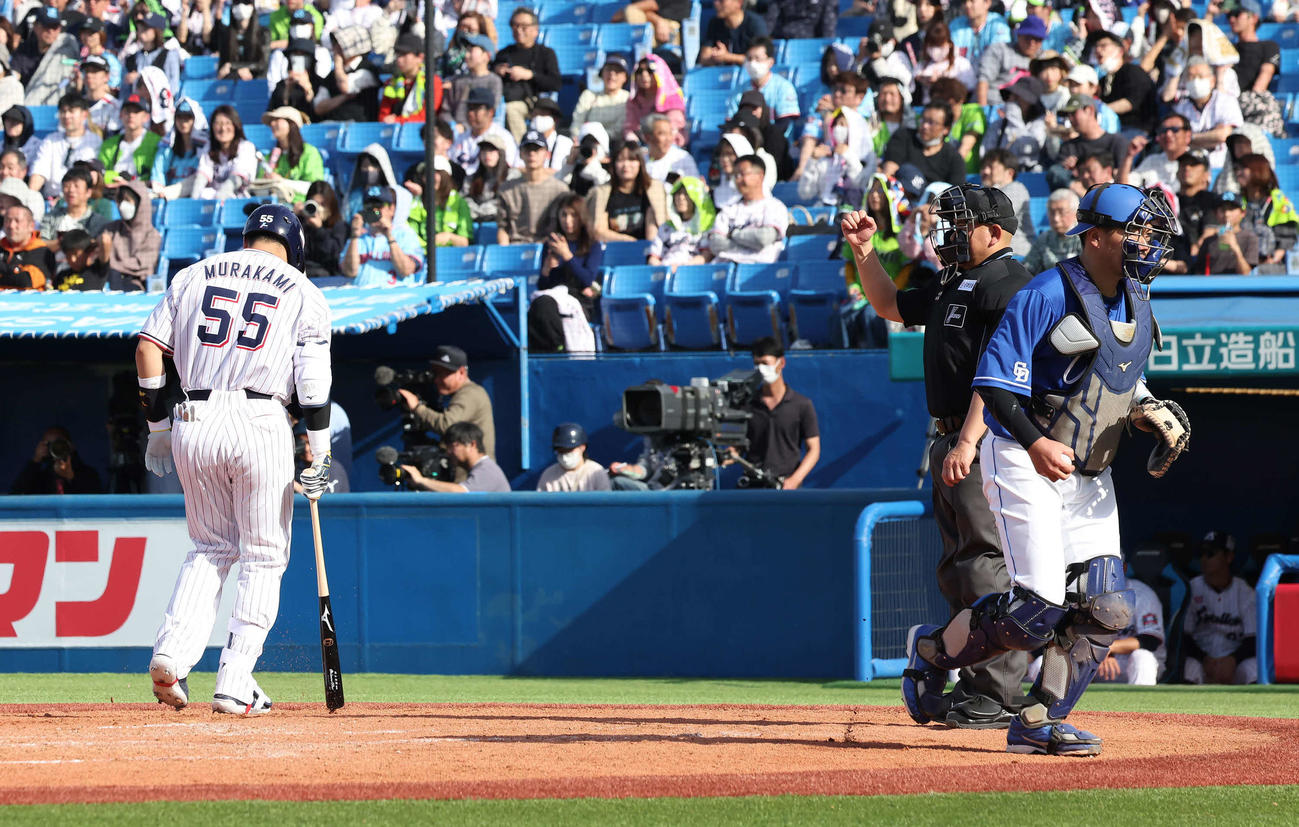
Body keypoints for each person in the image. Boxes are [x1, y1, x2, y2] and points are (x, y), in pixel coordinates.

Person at [898, 182, 1185, 756]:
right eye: (1138, 230)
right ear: (1097, 235)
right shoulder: (1045, 292)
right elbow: (995, 385)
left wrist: (1149, 409)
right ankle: (933, 653)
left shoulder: (1136, 296)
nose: (1148, 243)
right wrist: (1033, 445)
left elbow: (1116, 377)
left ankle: (1038, 719)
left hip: (1089, 471)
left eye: (1152, 233)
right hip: (1023, 458)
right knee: (1036, 608)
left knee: (1109, 607)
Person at [844, 183, 1033, 729]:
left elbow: (1000, 376)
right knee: (957, 569)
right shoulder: (954, 280)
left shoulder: (1010, 283)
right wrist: (864, 251)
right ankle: (976, 683)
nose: (944, 231)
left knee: (985, 564)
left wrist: (970, 440)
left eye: (958, 222)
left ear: (994, 231)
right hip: (950, 438)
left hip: (989, 439)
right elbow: (887, 304)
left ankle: (997, 693)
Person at [138, 204, 331, 716]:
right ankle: (236, 678)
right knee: (264, 554)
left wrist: (158, 428)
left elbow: (147, 349)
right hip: (261, 417)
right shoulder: (302, 289)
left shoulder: (193, 273)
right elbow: (312, 382)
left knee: (209, 548)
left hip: (193, 417)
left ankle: (171, 654)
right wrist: (322, 450)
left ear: (245, 237)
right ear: (296, 247)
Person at [740, 337, 819, 489]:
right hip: (752, 487)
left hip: (786, 486)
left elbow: (814, 449)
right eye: (757, 364)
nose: (761, 369)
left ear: (781, 363)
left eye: (765, 363)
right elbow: (738, 446)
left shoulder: (802, 405)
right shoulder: (747, 404)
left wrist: (795, 479)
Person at [397, 345, 498, 462]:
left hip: (474, 476)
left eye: (443, 374)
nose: (436, 379)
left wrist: (417, 407)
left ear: (461, 372)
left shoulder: (470, 393)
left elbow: (447, 425)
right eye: (435, 374)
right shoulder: (462, 393)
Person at [530, 192, 603, 352]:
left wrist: (567, 255)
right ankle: (550, 349)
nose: (568, 221)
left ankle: (559, 348)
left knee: (544, 306)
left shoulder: (592, 245)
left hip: (579, 299)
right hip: (552, 297)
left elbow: (587, 279)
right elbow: (543, 286)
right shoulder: (551, 245)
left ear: (581, 217)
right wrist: (546, 269)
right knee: (539, 304)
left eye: (573, 215)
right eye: (564, 215)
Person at [1184, 531, 1258, 685]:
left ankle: (1256, 709)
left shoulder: (1245, 592)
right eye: (1202, 554)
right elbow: (1184, 637)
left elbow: (1253, 638)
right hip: (1202, 658)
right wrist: (1203, 658)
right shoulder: (1191, 588)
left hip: (1235, 660)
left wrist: (1233, 659)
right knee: (1189, 667)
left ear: (1229, 557)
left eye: (1211, 554)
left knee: (1253, 669)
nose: (1204, 559)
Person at [492, 7, 561, 142]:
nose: (519, 30)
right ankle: (522, 147)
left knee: (517, 110)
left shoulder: (546, 53)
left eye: (524, 26)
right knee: (508, 108)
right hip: (508, 99)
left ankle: (528, 147)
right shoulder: (504, 54)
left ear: (536, 30)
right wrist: (497, 71)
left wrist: (530, 75)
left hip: (537, 101)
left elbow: (555, 83)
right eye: (515, 25)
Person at [703, 154, 787, 265]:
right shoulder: (729, 210)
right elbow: (715, 244)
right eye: (736, 175)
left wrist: (732, 234)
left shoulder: (774, 206)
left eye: (742, 174)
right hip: (724, 267)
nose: (738, 180)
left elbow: (763, 239)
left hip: (757, 268)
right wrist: (748, 242)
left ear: (760, 176)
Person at [341, 184, 426, 286]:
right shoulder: (358, 238)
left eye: (378, 205)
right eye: (369, 206)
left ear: (392, 209)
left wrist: (389, 236)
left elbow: (406, 270)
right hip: (363, 298)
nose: (374, 210)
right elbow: (349, 272)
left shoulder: (405, 235)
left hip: (396, 298)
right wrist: (354, 236)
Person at [496, 131, 570, 246]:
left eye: (537, 149)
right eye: (527, 149)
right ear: (520, 154)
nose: (532, 154)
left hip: (549, 248)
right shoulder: (507, 189)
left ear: (547, 154)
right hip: (516, 247)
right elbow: (503, 228)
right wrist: (505, 252)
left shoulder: (560, 190)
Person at [1173, 57, 1244, 170]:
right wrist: (1211, 137)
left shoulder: (1226, 100)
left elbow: (1223, 135)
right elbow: (1177, 140)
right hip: (1189, 165)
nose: (1196, 81)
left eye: (1200, 76)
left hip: (1221, 164)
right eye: (1191, 77)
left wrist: (1190, 138)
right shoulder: (1180, 107)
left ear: (1212, 81)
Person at [588, 139, 663, 244]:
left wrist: (650, 251)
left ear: (640, 163)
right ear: (613, 164)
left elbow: (655, 224)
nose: (626, 165)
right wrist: (628, 241)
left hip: (647, 250)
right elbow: (600, 231)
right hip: (614, 250)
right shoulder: (603, 193)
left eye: (631, 160)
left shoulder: (652, 189)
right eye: (620, 160)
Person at [400, 421, 510, 493]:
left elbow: (461, 492)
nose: (448, 452)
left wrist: (421, 480)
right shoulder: (481, 468)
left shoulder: (486, 470)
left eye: (453, 446)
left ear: (472, 444)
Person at [1048, 94, 1128, 192]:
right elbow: (1054, 172)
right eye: (1068, 116)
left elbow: (1123, 176)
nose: (1070, 119)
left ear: (1089, 110)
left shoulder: (1117, 142)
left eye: (1073, 113)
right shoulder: (1069, 146)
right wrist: (1069, 172)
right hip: (1077, 201)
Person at [30, 93, 101, 200]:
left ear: (84, 114)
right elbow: (39, 170)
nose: (66, 116)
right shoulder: (51, 140)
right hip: (51, 198)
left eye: (71, 111)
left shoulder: (95, 140)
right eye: (63, 111)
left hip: (80, 200)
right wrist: (30, 196)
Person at [880, 103, 967, 189]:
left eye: (931, 123)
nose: (925, 126)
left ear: (946, 129)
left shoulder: (954, 159)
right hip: (899, 195)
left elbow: (955, 196)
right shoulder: (903, 136)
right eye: (923, 120)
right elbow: (889, 173)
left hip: (933, 202)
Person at [1236, 153, 1298, 272]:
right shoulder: (1236, 201)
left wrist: (1270, 260)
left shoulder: (1278, 202)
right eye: (1236, 169)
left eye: (1242, 169)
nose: (1237, 173)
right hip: (1240, 262)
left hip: (1271, 265)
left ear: (1257, 171)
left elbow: (1286, 242)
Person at [1093, 30, 1157, 137]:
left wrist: (1100, 110)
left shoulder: (1132, 71)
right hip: (1112, 129)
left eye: (1103, 45)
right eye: (1096, 47)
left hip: (1136, 129)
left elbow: (1131, 102)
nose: (1098, 50)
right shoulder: (1103, 80)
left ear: (1120, 51)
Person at [100, 180, 160, 291]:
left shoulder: (152, 235)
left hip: (134, 283)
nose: (122, 205)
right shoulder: (112, 228)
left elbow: (141, 265)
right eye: (121, 200)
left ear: (140, 204)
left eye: (128, 200)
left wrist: (112, 263)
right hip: (108, 280)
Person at [14, 8, 80, 107]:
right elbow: (14, 76)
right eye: (46, 26)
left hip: (60, 106)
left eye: (55, 27)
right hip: (29, 104)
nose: (50, 31)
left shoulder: (67, 50)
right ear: (36, 26)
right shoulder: (25, 49)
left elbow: (75, 67)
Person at [314, 25, 381, 123]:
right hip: (332, 126)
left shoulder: (368, 69)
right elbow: (319, 108)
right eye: (335, 44)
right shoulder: (331, 76)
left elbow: (345, 86)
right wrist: (343, 98)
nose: (335, 48)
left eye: (339, 45)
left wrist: (337, 62)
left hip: (359, 128)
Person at [10, 426, 103, 494]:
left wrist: (70, 477)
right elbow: (16, 495)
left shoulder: (88, 473)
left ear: (71, 446)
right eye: (49, 445)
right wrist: (35, 460)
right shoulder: (40, 477)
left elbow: (93, 499)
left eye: (59, 444)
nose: (55, 448)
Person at [448, 86, 519, 175]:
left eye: (476, 108)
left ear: (491, 112)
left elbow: (510, 169)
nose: (470, 113)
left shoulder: (503, 137)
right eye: (469, 108)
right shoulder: (461, 138)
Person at [976, 15, 1045, 106]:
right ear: (1019, 35)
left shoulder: (1044, 58)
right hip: (995, 105)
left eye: (1037, 39)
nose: (1031, 43)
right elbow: (983, 81)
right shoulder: (1000, 50)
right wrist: (982, 111)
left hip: (1028, 111)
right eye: (1027, 37)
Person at [648, 175, 714, 267]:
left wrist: (681, 268)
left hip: (690, 272)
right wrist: (662, 269)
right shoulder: (665, 227)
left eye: (686, 194)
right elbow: (653, 258)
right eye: (678, 194)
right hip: (665, 270)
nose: (681, 198)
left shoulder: (705, 226)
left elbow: (705, 256)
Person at [731, 37, 799, 125]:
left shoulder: (784, 87)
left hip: (775, 137)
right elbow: (731, 121)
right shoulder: (739, 90)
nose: (752, 63)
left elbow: (785, 123)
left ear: (770, 62)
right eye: (749, 59)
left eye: (758, 59)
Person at [979, 149, 1034, 257]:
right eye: (984, 167)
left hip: (1016, 253)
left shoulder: (1017, 188)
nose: (985, 171)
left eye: (991, 167)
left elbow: (997, 213)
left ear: (1010, 172)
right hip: (993, 252)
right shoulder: (984, 191)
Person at [194, 105, 257, 200]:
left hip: (238, 202)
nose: (223, 128)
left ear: (235, 125)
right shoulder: (209, 148)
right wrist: (193, 202)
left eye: (228, 123)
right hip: (214, 200)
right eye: (218, 123)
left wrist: (218, 200)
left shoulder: (246, 147)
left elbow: (236, 180)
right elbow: (201, 177)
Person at [261, 106, 325, 199]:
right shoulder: (270, 156)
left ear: (291, 124)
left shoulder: (309, 153)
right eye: (272, 120)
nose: (272, 123)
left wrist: (282, 182)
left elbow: (315, 188)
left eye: (277, 119)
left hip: (298, 207)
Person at [1188, 191, 1258, 275]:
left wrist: (1235, 248)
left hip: (1239, 287)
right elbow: (1199, 273)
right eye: (1222, 209)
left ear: (1243, 213)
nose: (1227, 214)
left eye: (1231, 209)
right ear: (1215, 214)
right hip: (1213, 287)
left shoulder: (1250, 238)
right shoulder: (1208, 241)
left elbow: (1246, 273)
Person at [39, 166, 110, 248]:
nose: (71, 190)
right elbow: (41, 244)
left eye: (76, 186)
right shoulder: (51, 217)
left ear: (88, 192)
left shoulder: (98, 222)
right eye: (67, 186)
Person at [625, 54, 687, 148]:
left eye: (650, 71)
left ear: (660, 73)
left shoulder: (672, 98)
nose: (644, 75)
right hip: (641, 147)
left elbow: (673, 132)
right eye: (639, 71)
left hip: (670, 147)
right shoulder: (634, 101)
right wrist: (632, 141)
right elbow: (629, 128)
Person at [150, 98, 208, 197]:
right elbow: (158, 171)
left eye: (188, 117)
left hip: (193, 195)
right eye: (179, 117)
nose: (183, 122)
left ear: (196, 119)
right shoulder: (167, 146)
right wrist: (159, 189)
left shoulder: (205, 147)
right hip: (167, 198)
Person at [97, 94, 159, 186]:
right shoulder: (109, 144)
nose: (131, 115)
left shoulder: (157, 142)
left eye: (136, 111)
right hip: (112, 192)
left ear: (146, 117)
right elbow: (100, 174)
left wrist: (129, 184)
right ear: (120, 115)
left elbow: (157, 179)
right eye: (127, 111)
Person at [1121, 113, 1193, 191]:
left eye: (1174, 129)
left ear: (1188, 136)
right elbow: (1124, 189)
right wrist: (1129, 156)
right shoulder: (1152, 160)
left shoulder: (1196, 160)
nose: (1168, 134)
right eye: (1164, 130)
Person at [912, 20, 976, 106]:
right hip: (926, 108)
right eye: (932, 46)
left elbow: (970, 90)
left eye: (940, 46)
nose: (935, 50)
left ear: (949, 44)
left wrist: (942, 83)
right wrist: (921, 81)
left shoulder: (961, 64)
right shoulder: (921, 66)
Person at [443, 32, 502, 126]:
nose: (466, 55)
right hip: (456, 132)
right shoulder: (457, 81)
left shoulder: (494, 81)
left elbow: (492, 109)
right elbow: (445, 110)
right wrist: (452, 126)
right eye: (466, 51)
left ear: (486, 56)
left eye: (471, 51)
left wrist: (467, 127)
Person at [536, 423, 611, 492]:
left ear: (582, 447)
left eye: (569, 450)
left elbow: (606, 502)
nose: (565, 455)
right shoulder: (549, 474)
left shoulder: (596, 472)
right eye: (561, 451)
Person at [571, 55, 629, 143]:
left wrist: (597, 139)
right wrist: (579, 137)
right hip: (586, 143)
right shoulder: (588, 95)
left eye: (617, 71)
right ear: (602, 73)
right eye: (609, 69)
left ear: (625, 77)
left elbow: (619, 130)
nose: (612, 74)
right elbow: (577, 123)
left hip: (615, 144)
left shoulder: (628, 99)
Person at [1023, 188, 1082, 273]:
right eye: (1052, 212)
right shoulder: (1044, 238)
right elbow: (1028, 267)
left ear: (1075, 213)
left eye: (1062, 212)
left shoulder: (1083, 238)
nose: (1056, 218)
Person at [297, 180, 347, 279]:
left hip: (329, 277)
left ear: (331, 205)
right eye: (314, 204)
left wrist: (319, 230)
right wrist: (294, 217)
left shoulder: (340, 226)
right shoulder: (300, 223)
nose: (318, 209)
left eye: (323, 204)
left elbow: (334, 256)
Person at [379, 33, 434, 124]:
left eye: (404, 54)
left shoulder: (432, 81)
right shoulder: (392, 83)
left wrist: (397, 120)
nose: (399, 59)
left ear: (420, 57)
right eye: (398, 55)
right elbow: (383, 116)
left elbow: (426, 117)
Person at [697, 0, 767, 68]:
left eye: (722, 1)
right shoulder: (714, 23)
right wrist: (715, 56)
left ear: (739, 2)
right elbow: (704, 56)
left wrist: (728, 57)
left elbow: (761, 60)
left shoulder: (755, 24)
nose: (716, 3)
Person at [0, 203, 55, 289]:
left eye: (17, 221)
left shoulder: (41, 251)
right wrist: (13, 270)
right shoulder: (1, 246)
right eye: (7, 220)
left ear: (31, 226)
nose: (11, 226)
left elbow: (25, 281)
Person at [462, 133, 513, 223]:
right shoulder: (471, 178)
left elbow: (508, 202)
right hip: (474, 222)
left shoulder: (511, 176)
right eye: (484, 150)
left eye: (491, 151)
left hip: (501, 223)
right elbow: (464, 198)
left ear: (501, 154)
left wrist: (483, 210)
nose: (487, 155)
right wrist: (476, 209)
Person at [126, 12, 183, 91]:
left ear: (157, 31)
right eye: (140, 27)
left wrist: (140, 78)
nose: (142, 30)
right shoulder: (132, 58)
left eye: (146, 27)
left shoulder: (169, 55)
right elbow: (124, 92)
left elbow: (173, 87)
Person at [949, 0, 1012, 70]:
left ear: (987, 3)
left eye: (972, 1)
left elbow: (999, 57)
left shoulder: (998, 24)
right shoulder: (956, 25)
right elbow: (951, 56)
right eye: (964, 2)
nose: (967, 5)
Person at [429, 155, 472, 248]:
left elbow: (465, 242)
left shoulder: (460, 203)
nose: (430, 177)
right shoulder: (418, 202)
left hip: (451, 256)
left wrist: (449, 237)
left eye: (436, 172)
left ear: (445, 176)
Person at [527, 97, 572, 173]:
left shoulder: (564, 143)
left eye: (542, 114)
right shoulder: (527, 140)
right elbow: (518, 168)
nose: (537, 118)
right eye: (535, 114)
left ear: (555, 119)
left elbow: (559, 172)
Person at [763, 0, 835, 39]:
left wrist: (827, 47)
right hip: (782, 38)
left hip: (810, 42)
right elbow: (770, 20)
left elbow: (828, 27)